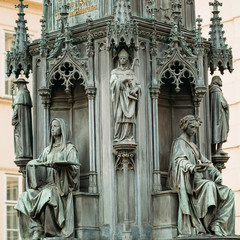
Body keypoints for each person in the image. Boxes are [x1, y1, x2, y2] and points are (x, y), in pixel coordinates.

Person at [168, 115, 235, 236]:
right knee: (209, 185)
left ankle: (217, 224)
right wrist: (192, 167)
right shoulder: (179, 143)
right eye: (192, 127)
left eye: (196, 128)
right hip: (191, 182)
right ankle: (205, 225)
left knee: (228, 192)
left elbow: (206, 162)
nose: (194, 130)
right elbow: (179, 161)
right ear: (185, 126)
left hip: (199, 182)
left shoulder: (193, 146)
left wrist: (216, 172)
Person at [15, 118, 80, 239]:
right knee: (24, 197)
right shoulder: (47, 150)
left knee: (47, 195)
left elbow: (74, 170)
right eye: (51, 126)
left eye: (55, 126)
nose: (52, 129)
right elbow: (40, 164)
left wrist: (58, 167)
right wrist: (32, 165)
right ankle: (36, 229)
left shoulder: (69, 149)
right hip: (46, 185)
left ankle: (52, 231)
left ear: (62, 128)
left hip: (60, 188)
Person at [110, 49, 141, 143]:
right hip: (119, 99)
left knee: (129, 118)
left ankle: (129, 136)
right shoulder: (115, 72)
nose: (122, 60)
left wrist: (135, 89)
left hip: (130, 100)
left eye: (124, 58)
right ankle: (118, 136)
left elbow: (138, 85)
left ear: (127, 60)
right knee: (119, 116)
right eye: (120, 58)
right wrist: (123, 79)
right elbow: (113, 84)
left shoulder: (131, 72)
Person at [12, 75, 33, 159]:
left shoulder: (20, 94)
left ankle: (21, 152)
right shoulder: (27, 94)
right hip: (26, 122)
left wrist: (13, 119)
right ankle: (26, 151)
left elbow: (16, 110)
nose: (17, 86)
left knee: (19, 136)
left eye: (18, 84)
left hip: (20, 122)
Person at [209, 76, 229, 155]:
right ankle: (219, 148)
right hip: (219, 116)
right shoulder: (216, 90)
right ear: (216, 80)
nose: (221, 82)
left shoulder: (214, 90)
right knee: (220, 130)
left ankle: (215, 149)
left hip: (217, 115)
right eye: (220, 80)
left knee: (218, 130)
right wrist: (226, 105)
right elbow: (222, 103)